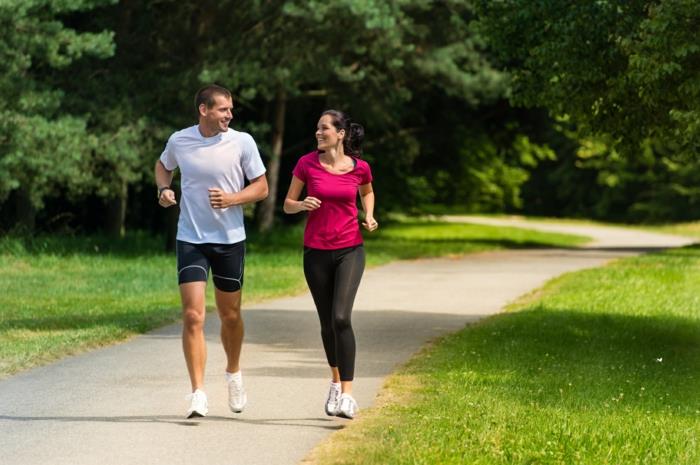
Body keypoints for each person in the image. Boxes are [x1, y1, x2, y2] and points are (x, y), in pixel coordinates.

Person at [154, 84, 268, 418]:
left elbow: (262, 187)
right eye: (222, 109)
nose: (229, 115)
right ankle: (198, 393)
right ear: (204, 110)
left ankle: (233, 372)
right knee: (192, 315)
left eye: (230, 110)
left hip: (229, 239)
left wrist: (233, 198)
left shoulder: (242, 142)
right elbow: (163, 165)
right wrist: (164, 188)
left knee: (230, 315)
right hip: (190, 237)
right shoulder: (180, 140)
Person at [283, 110, 378, 419]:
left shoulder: (359, 167)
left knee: (341, 318)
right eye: (317, 128)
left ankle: (348, 395)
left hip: (350, 249)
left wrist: (369, 214)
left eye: (324, 128)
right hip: (316, 252)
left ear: (341, 134)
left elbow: (367, 191)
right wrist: (301, 204)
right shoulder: (306, 164)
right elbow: (287, 203)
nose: (318, 133)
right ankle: (335, 382)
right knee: (326, 323)